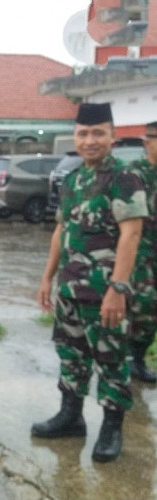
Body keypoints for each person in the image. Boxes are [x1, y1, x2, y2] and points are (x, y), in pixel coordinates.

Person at [32, 103, 148, 463]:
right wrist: (47, 277)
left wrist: (119, 288)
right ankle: (71, 416)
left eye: (98, 133)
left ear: (113, 136)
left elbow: (131, 234)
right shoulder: (72, 178)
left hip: (105, 294)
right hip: (70, 290)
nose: (90, 140)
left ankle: (112, 429)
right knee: (71, 355)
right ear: (75, 137)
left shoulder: (124, 178)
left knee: (112, 360)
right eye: (83, 133)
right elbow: (61, 229)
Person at [128, 120, 157, 383]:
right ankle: (130, 358)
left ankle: (138, 358)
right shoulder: (134, 175)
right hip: (139, 254)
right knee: (142, 306)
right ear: (146, 142)